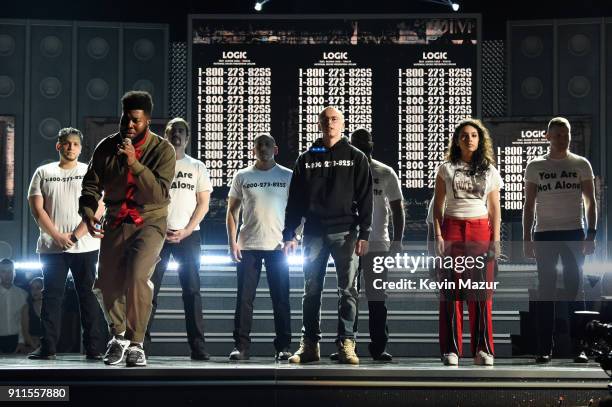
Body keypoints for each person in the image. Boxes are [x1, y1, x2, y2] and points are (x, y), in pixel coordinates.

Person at [79, 91, 176, 367]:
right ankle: (119, 336)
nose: (129, 126)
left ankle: (136, 343)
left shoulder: (163, 150)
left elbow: (157, 194)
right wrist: (87, 210)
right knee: (105, 283)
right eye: (126, 119)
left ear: (147, 120)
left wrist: (134, 162)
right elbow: (91, 184)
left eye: (136, 121)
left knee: (136, 276)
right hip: (116, 219)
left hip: (150, 220)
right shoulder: (106, 147)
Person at [283, 106, 373, 365]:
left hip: (346, 232)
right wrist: (290, 233)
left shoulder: (356, 157)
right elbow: (295, 201)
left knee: (348, 291)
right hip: (313, 233)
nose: (330, 123)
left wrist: (364, 232)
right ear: (318, 124)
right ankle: (310, 345)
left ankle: (347, 343)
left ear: (342, 124)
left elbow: (366, 199)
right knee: (311, 290)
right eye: (325, 120)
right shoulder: (307, 158)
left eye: (334, 119)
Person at [27, 127, 106, 360]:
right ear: (58, 146)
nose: (71, 147)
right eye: (67, 143)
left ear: (81, 148)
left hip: (86, 245)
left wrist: (75, 235)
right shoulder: (43, 172)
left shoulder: (90, 172)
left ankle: (93, 348)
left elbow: (100, 206)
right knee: (51, 296)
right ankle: (48, 348)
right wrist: (58, 236)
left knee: (88, 297)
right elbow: (37, 209)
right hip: (52, 248)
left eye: (75, 144)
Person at [523, 117, 597, 364]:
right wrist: (527, 237)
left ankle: (581, 347)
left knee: (576, 289)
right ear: (548, 137)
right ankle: (544, 348)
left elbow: (590, 201)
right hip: (544, 233)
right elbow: (529, 205)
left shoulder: (580, 163)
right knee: (546, 291)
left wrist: (591, 234)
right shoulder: (535, 166)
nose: (561, 138)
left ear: (569, 136)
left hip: (573, 232)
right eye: (556, 134)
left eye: (564, 134)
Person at [328, 128, 404, 361]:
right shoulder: (342, 172)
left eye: (364, 140)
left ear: (371, 143)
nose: (361, 144)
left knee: (377, 297)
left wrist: (398, 240)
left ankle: (378, 347)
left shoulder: (386, 172)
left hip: (378, 245)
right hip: (348, 243)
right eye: (356, 141)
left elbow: (397, 209)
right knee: (347, 295)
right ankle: (345, 344)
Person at [433, 118, 502, 366]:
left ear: (480, 140)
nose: (469, 139)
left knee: (481, 293)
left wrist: (495, 240)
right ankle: (451, 349)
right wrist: (438, 236)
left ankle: (482, 349)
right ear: (457, 140)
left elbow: (495, 209)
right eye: (464, 135)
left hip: (479, 228)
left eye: (474, 135)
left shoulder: (489, 170)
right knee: (452, 292)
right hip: (452, 227)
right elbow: (437, 206)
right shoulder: (446, 168)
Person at [145, 118, 211, 361]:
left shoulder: (197, 166)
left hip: (189, 237)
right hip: (157, 236)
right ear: (166, 134)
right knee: (149, 292)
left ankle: (198, 348)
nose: (177, 135)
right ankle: (141, 346)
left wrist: (186, 230)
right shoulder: (154, 163)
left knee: (192, 292)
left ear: (188, 137)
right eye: (173, 131)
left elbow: (203, 204)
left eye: (182, 131)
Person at [226, 133, 293, 361]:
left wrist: (294, 238)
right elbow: (232, 211)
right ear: (253, 149)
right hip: (248, 245)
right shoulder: (242, 175)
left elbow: (298, 212)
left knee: (281, 298)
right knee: (244, 299)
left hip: (278, 246)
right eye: (259, 144)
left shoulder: (287, 176)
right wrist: (232, 241)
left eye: (267, 144)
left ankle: (283, 347)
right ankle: (241, 347)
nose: (263, 148)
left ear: (275, 149)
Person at [0, 259, 28, 353]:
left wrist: (21, 342)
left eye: (10, 271)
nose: (7, 275)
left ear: (14, 273)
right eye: (4, 271)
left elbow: (23, 322)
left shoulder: (23, 294)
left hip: (16, 340)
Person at [21, 277, 43, 353]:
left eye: (38, 288)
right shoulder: (26, 308)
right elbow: (25, 332)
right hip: (31, 348)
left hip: (50, 348)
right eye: (32, 288)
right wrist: (35, 348)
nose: (34, 291)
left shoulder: (52, 308)